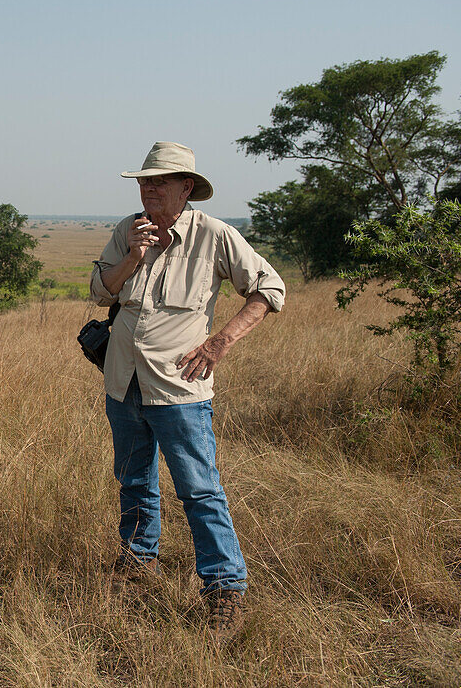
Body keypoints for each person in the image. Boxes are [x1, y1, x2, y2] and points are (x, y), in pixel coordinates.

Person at [89, 141, 285, 639]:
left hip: (179, 387)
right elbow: (100, 291)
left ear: (187, 188)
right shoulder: (128, 231)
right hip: (123, 380)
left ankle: (224, 589)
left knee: (199, 489)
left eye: (159, 181)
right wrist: (132, 256)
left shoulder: (214, 235)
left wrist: (219, 343)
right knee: (133, 478)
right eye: (143, 181)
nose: (148, 188)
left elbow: (269, 289)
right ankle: (137, 562)